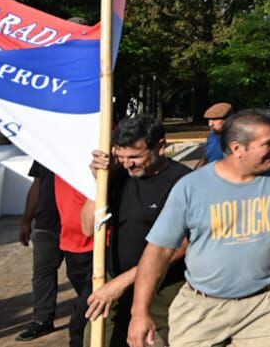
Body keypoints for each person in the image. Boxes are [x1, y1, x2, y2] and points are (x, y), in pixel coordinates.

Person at [128, 109, 270, 347]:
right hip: (202, 309)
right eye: (268, 144)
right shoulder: (190, 187)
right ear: (237, 148)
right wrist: (139, 313)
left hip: (267, 305)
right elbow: (158, 251)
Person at [81, 116, 192, 346]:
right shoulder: (117, 175)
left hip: (164, 286)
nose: (127, 164)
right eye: (121, 157)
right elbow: (88, 228)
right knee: (96, 339)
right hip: (112, 282)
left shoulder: (184, 182)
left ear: (161, 147)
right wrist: (99, 182)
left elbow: (182, 245)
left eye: (135, 157)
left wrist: (122, 282)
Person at [16, 160, 66, 341]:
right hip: (46, 224)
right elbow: (37, 184)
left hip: (78, 224)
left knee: (84, 276)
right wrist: (26, 220)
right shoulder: (43, 150)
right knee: (42, 275)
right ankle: (42, 321)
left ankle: (88, 318)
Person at [54, 174, 96, 345]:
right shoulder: (55, 161)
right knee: (86, 307)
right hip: (71, 246)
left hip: (99, 247)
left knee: (80, 323)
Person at [199, 102, 232, 167]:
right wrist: (193, 174)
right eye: (209, 120)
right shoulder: (212, 136)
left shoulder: (237, 138)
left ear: (228, 119)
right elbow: (205, 158)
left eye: (214, 119)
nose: (210, 124)